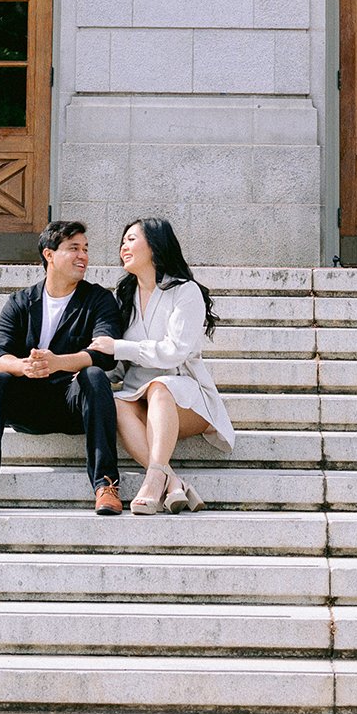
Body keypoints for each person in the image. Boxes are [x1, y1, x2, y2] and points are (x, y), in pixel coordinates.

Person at [0, 219, 123, 516]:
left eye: (85, 249)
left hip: (74, 403)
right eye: (74, 249)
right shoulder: (21, 301)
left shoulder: (98, 299)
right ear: (49, 254)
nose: (83, 256)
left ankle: (106, 485)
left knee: (94, 375)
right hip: (29, 404)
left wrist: (58, 362)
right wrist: (23, 366)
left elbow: (105, 354)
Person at [89, 216, 235, 516]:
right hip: (137, 397)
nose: (123, 246)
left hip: (185, 398)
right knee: (115, 404)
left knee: (159, 387)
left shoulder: (185, 292)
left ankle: (154, 480)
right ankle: (172, 480)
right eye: (123, 241)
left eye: (132, 239)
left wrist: (117, 346)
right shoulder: (125, 297)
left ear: (155, 245)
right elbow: (120, 367)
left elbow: (173, 352)